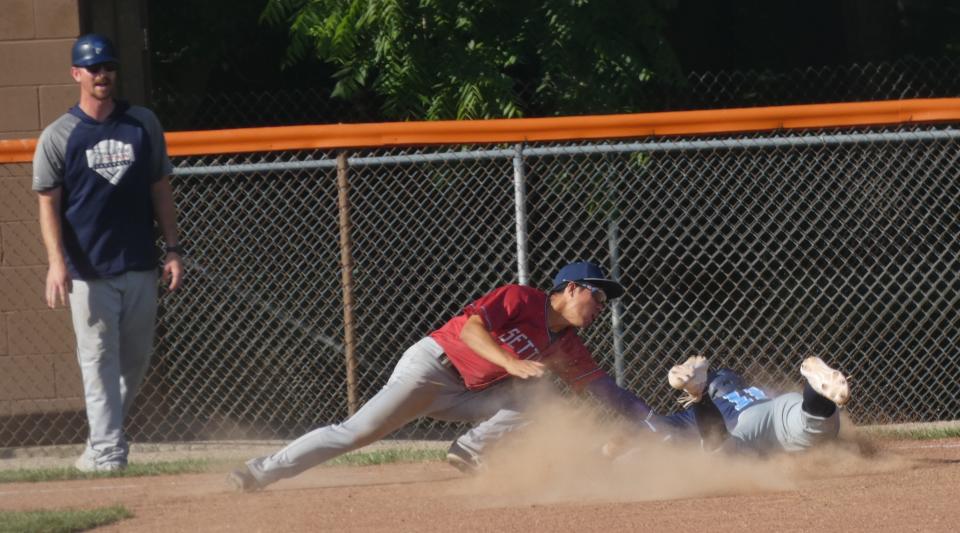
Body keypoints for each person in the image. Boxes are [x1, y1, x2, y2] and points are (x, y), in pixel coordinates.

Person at [228, 260, 662, 491]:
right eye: (597, 293)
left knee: (542, 399)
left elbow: (602, 388)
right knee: (356, 433)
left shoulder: (568, 345)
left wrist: (653, 422)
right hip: (432, 370)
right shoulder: (521, 298)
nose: (602, 305)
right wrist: (510, 363)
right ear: (571, 288)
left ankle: (469, 450)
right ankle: (261, 471)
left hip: (468, 394)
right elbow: (472, 328)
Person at [32, 34, 184, 472]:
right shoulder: (60, 135)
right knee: (98, 360)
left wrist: (173, 248)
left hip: (138, 263)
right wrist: (56, 262)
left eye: (108, 67)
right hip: (87, 270)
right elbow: (48, 204)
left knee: (133, 363)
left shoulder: (141, 124)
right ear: (76, 73)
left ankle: (99, 444)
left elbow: (160, 188)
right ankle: (107, 453)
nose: (102, 75)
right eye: (93, 67)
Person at [609, 355, 851, 457]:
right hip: (781, 405)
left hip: (749, 428)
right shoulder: (757, 391)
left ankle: (698, 394)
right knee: (818, 425)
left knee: (721, 454)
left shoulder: (716, 405)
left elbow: (656, 426)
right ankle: (814, 386)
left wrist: (616, 444)